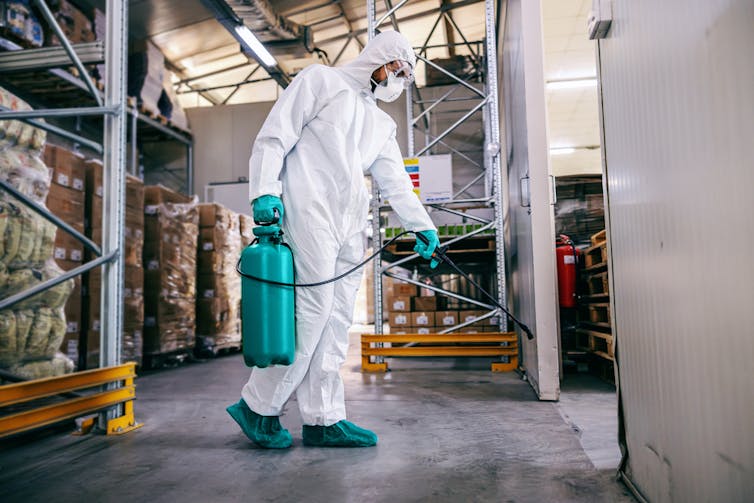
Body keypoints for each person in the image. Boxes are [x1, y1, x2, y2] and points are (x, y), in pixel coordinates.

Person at [227, 31, 440, 449]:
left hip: (348, 222)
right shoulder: (320, 81)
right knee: (311, 312)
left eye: (405, 75)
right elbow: (274, 136)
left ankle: (325, 418)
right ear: (380, 58)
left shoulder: (381, 122)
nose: (398, 79)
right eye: (397, 69)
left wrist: (422, 225)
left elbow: (395, 180)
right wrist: (264, 191)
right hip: (309, 211)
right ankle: (257, 406)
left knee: (338, 318)